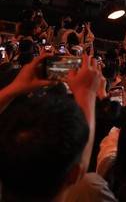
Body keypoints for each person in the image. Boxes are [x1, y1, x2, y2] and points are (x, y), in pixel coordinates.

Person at [0, 53, 107, 202]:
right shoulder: (89, 186)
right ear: (74, 174)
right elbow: (81, 156)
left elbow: (79, 160)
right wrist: (87, 93)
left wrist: (14, 87)